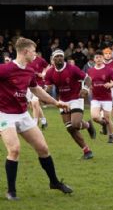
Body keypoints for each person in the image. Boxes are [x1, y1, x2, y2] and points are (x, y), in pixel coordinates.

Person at [0, 37, 73, 200]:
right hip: (4, 115)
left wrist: (56, 102)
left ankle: (54, 182)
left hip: (22, 114)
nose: (36, 55)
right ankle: (11, 191)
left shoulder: (29, 71)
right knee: (14, 149)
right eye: (33, 51)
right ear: (25, 52)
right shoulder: (5, 69)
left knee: (43, 148)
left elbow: (36, 90)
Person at [44, 50, 97, 159]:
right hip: (63, 101)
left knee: (76, 124)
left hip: (76, 98)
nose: (59, 58)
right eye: (57, 56)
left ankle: (87, 125)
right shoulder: (49, 72)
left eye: (61, 56)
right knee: (70, 128)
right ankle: (87, 151)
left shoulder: (72, 68)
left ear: (63, 58)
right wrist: (43, 93)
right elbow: (48, 87)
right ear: (53, 59)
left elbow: (88, 78)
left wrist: (85, 89)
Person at [88, 50, 113, 144]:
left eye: (100, 57)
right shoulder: (90, 70)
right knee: (94, 117)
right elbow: (88, 83)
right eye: (96, 57)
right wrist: (88, 88)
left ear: (103, 58)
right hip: (95, 98)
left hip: (106, 98)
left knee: (107, 118)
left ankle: (111, 136)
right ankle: (103, 124)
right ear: (94, 59)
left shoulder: (108, 70)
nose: (98, 59)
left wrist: (111, 84)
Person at [27, 51, 49, 130]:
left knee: (35, 102)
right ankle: (44, 121)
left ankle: (35, 123)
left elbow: (47, 66)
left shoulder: (40, 60)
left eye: (33, 51)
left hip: (39, 84)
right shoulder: (27, 60)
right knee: (33, 105)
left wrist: (43, 73)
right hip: (29, 85)